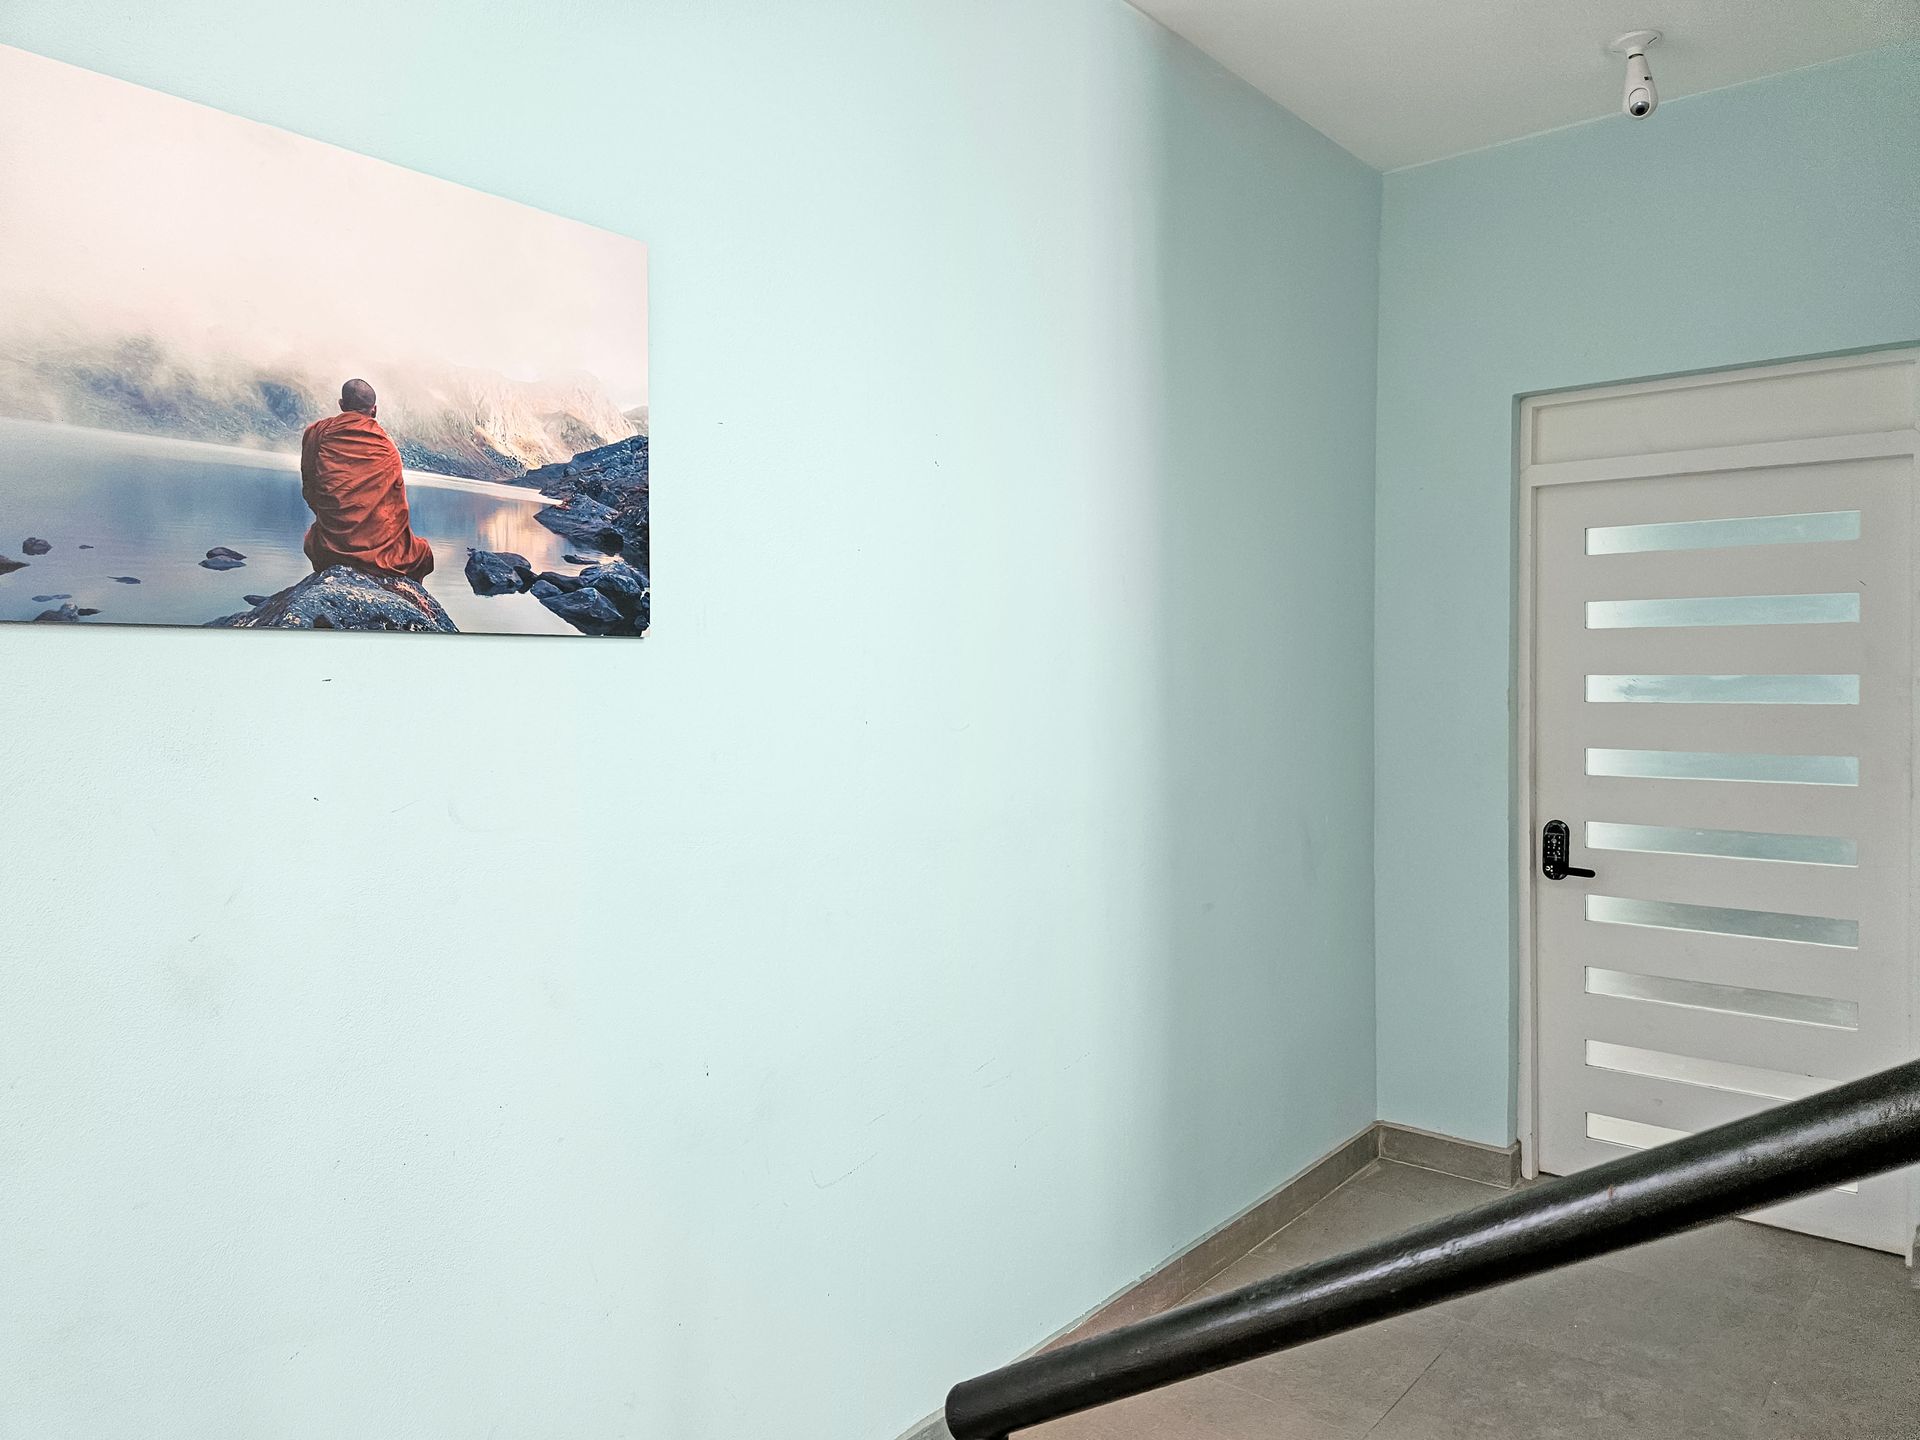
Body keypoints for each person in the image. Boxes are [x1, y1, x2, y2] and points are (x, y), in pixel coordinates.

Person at [299, 379, 435, 580]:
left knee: (312, 538)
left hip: (329, 549)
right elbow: (396, 512)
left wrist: (333, 519)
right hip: (380, 555)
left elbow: (310, 487)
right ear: (374, 410)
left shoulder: (317, 432)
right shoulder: (387, 448)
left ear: (342, 405)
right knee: (422, 553)